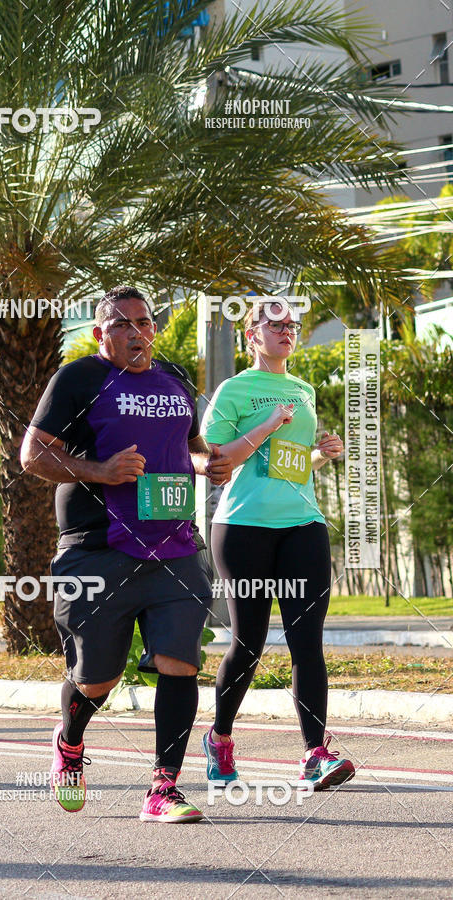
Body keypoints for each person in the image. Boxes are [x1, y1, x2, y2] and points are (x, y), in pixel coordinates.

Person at [20, 285, 233, 822]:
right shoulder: (78, 378)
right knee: (98, 679)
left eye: (144, 322)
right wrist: (100, 471)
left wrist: (208, 466)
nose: (137, 332)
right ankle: (70, 741)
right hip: (98, 549)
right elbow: (33, 454)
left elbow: (190, 448)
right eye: (122, 324)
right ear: (100, 333)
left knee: (179, 662)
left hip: (174, 545)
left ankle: (163, 788)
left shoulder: (175, 378)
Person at [200, 299, 355, 791]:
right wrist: (267, 425)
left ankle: (315, 754)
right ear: (252, 335)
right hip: (242, 527)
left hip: (303, 523)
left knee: (307, 642)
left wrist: (321, 454)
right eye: (276, 325)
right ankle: (220, 738)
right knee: (248, 643)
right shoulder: (234, 390)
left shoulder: (303, 390)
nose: (287, 331)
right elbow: (216, 459)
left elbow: (288, 463)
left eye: (293, 325)